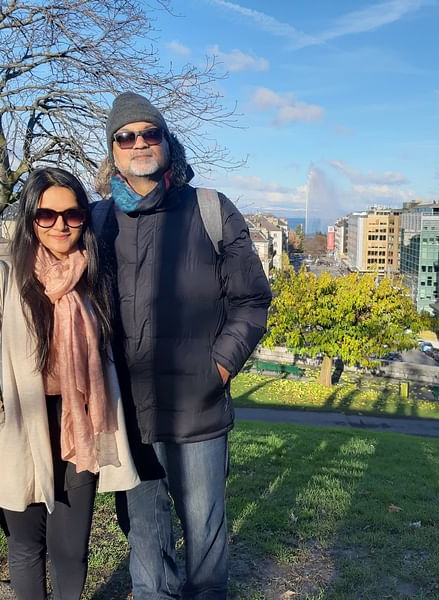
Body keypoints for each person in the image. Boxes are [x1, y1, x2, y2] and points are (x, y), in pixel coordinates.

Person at [93, 92, 272, 599]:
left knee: (205, 546)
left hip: (197, 409)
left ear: (166, 142)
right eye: (126, 137)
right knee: (145, 546)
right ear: (114, 151)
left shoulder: (210, 210)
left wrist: (217, 369)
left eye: (150, 133)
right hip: (126, 413)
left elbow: (252, 299)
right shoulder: (100, 221)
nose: (140, 143)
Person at [0, 167, 140, 600]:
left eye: (73, 214)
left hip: (80, 427)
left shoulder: (92, 281)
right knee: (26, 547)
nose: (61, 224)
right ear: (30, 220)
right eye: (47, 214)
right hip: (19, 428)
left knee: (72, 549)